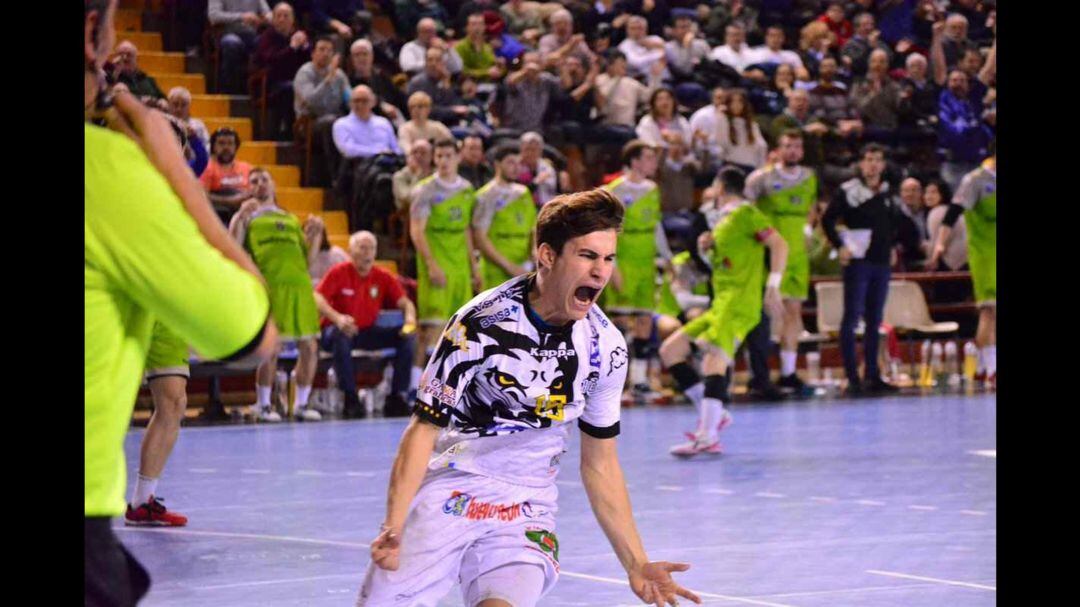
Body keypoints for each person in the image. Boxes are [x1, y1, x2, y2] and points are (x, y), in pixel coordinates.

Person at [357, 187, 702, 607]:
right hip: (453, 490)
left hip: (525, 506)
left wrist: (635, 562)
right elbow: (423, 428)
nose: (600, 272)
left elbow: (600, 462)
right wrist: (393, 525)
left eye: (608, 258)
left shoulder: (605, 347)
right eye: (587, 256)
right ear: (547, 256)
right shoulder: (480, 325)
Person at [86, 0, 275, 601]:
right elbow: (251, 336)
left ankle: (146, 493)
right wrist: (173, 173)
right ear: (92, 36)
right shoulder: (106, 173)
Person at [660, 167, 788, 456]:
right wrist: (707, 248)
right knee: (671, 351)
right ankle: (716, 415)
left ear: (720, 187)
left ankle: (707, 436)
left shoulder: (746, 213)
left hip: (739, 302)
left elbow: (779, 244)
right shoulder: (723, 221)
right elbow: (725, 262)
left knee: (713, 361)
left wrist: (774, 284)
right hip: (720, 302)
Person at [229, 168, 324, 421]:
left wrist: (315, 236)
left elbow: (307, 261)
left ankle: (301, 405)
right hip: (270, 289)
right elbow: (232, 249)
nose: (260, 184)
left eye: (264, 180)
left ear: (273, 185)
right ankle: (263, 405)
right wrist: (239, 217)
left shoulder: (291, 219)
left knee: (310, 347)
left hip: (300, 288)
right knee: (272, 348)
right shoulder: (248, 217)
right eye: (254, 181)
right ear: (249, 188)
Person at [821, 144, 902, 395]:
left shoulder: (888, 193)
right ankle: (852, 377)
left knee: (875, 319)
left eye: (878, 160)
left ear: (883, 165)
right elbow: (827, 220)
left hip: (880, 262)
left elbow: (892, 223)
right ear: (861, 164)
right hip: (858, 261)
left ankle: (873, 375)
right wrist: (840, 246)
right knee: (851, 318)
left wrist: (892, 246)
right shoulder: (848, 191)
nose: (873, 165)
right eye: (868, 159)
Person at [744, 130, 817, 393]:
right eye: (788, 146)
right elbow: (746, 213)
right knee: (765, 315)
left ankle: (788, 373)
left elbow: (811, 207)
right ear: (778, 149)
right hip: (771, 255)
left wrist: (809, 228)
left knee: (793, 313)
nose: (793, 151)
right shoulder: (761, 179)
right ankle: (760, 376)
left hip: (798, 255)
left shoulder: (809, 178)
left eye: (797, 146)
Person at [315, 231, 418, 417]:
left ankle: (396, 397)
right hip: (336, 331)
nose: (367, 253)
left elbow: (406, 303)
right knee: (341, 337)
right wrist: (338, 318)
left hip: (366, 331)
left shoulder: (383, 276)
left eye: (371, 248)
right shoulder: (339, 272)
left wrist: (410, 319)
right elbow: (318, 297)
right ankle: (350, 398)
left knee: (406, 338)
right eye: (362, 248)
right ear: (351, 251)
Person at [602, 140, 673, 401]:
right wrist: (613, 265)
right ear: (634, 161)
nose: (653, 163)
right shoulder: (614, 190)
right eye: (648, 158)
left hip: (645, 261)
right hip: (625, 259)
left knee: (644, 320)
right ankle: (615, 383)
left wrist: (666, 257)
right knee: (619, 323)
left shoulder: (653, 189)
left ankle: (640, 381)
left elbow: (656, 226)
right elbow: (608, 230)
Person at [410, 138, 481, 390]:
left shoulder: (467, 190)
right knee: (430, 329)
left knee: (458, 330)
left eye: (448, 156)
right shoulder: (424, 190)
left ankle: (449, 385)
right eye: (438, 156)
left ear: (458, 157)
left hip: (459, 267)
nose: (443, 161)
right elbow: (417, 230)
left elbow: (467, 231)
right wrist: (431, 265)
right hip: (436, 265)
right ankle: (416, 387)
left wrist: (474, 268)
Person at [929, 152, 995, 387]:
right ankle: (991, 369)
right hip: (985, 255)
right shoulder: (975, 180)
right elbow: (952, 214)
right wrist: (939, 244)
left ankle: (981, 366)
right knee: (990, 311)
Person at [332, 84, 403, 230]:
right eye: (356, 101)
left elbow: (395, 147)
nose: (360, 104)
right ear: (350, 103)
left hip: (387, 163)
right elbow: (348, 150)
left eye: (364, 101)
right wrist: (377, 151)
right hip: (360, 166)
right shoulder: (342, 124)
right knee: (375, 176)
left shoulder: (383, 123)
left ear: (373, 102)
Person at [473, 144, 537, 291]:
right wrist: (509, 267)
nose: (516, 167)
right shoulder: (485, 196)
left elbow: (533, 228)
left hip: (524, 268)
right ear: (497, 164)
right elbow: (480, 238)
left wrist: (534, 253)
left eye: (518, 163)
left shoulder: (524, 193)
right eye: (510, 162)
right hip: (495, 271)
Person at [293, 35, 351, 186]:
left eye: (329, 51)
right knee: (331, 123)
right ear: (313, 53)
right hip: (309, 122)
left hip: (336, 119)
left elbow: (349, 98)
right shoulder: (305, 72)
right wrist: (327, 80)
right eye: (321, 49)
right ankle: (335, 176)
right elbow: (310, 101)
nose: (325, 54)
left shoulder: (340, 75)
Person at [252, 2, 310, 140]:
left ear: (293, 19)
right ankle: (285, 132)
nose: (282, 19)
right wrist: (291, 48)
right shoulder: (267, 37)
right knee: (289, 89)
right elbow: (272, 61)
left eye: (286, 16)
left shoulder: (298, 36)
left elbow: (308, 61)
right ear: (273, 19)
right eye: (279, 16)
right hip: (272, 82)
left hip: (298, 80)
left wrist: (305, 47)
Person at [209, 0, 271, 94]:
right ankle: (228, 91)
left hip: (252, 35)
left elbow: (268, 13)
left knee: (267, 42)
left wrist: (266, 18)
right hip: (228, 32)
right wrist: (241, 17)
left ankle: (262, 92)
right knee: (231, 43)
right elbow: (213, 16)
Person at [200, 127, 253, 225]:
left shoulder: (247, 168)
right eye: (221, 143)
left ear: (236, 147)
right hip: (219, 216)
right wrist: (230, 201)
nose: (226, 148)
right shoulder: (207, 168)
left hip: (246, 214)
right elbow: (202, 196)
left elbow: (255, 191)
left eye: (230, 143)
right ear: (213, 147)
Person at [716, 89, 767, 171]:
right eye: (732, 102)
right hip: (730, 166)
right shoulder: (723, 121)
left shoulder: (752, 125)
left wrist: (761, 170)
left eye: (740, 101)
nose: (736, 105)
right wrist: (721, 117)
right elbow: (721, 144)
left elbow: (762, 147)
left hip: (750, 167)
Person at [109, 41, 167, 107]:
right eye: (121, 55)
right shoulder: (112, 79)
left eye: (129, 54)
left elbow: (162, 97)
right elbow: (108, 96)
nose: (125, 58)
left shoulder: (148, 79)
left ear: (137, 58)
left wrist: (163, 101)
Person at [392, 138, 434, 211]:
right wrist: (418, 175)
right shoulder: (399, 176)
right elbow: (407, 199)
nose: (418, 156)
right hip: (411, 214)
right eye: (414, 152)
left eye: (423, 153)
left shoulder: (437, 173)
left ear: (431, 156)